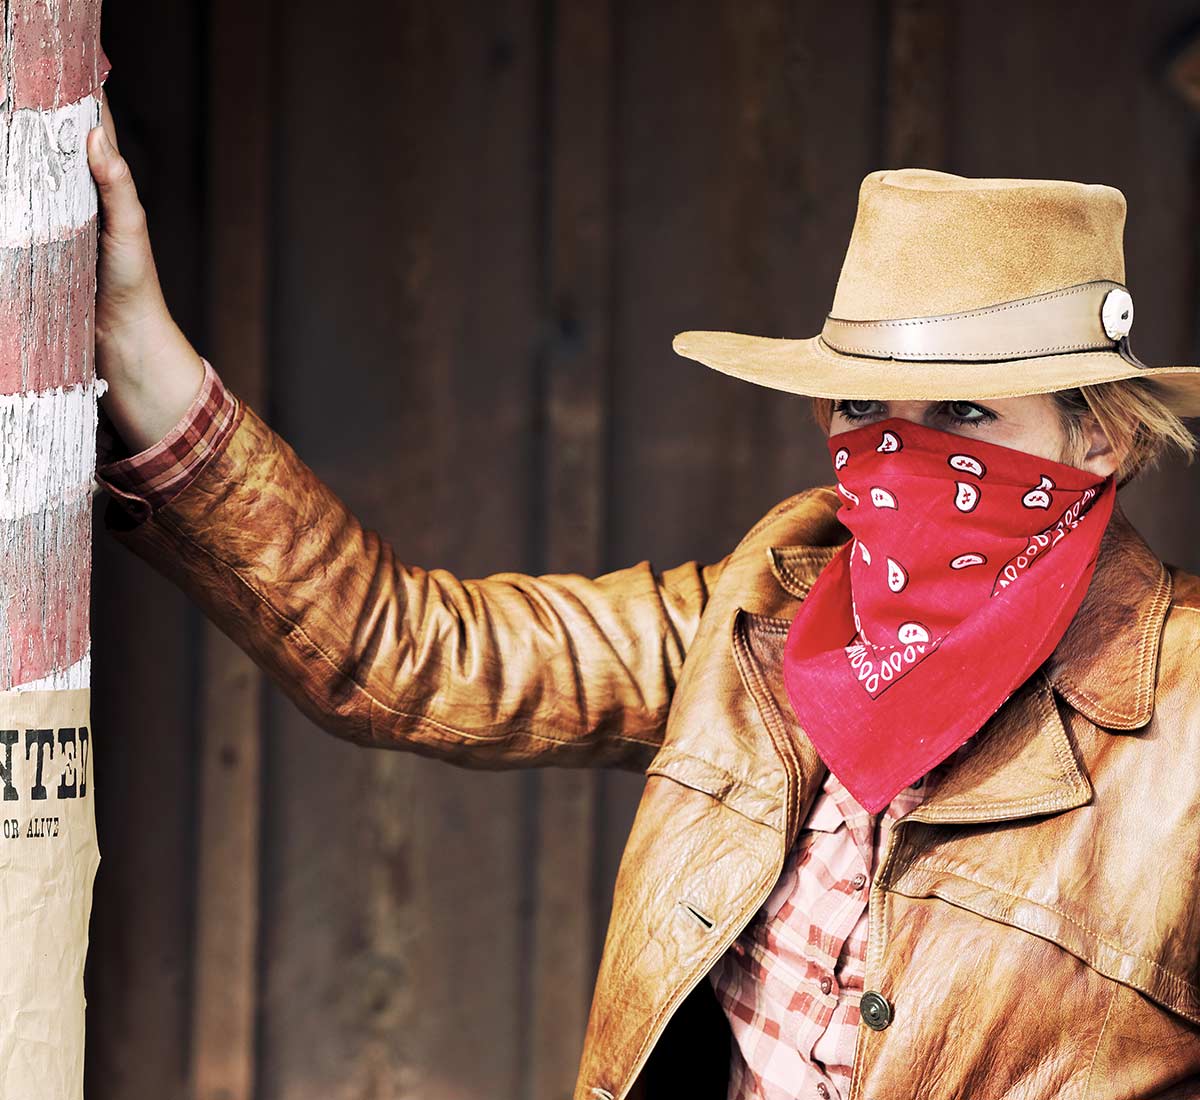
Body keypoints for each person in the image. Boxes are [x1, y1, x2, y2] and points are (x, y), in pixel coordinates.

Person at [85, 90, 1200, 1100]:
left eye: (962, 415)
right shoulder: (762, 615)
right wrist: (143, 356)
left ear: (1096, 435)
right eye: (867, 405)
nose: (899, 454)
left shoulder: (1184, 715)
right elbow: (408, 652)